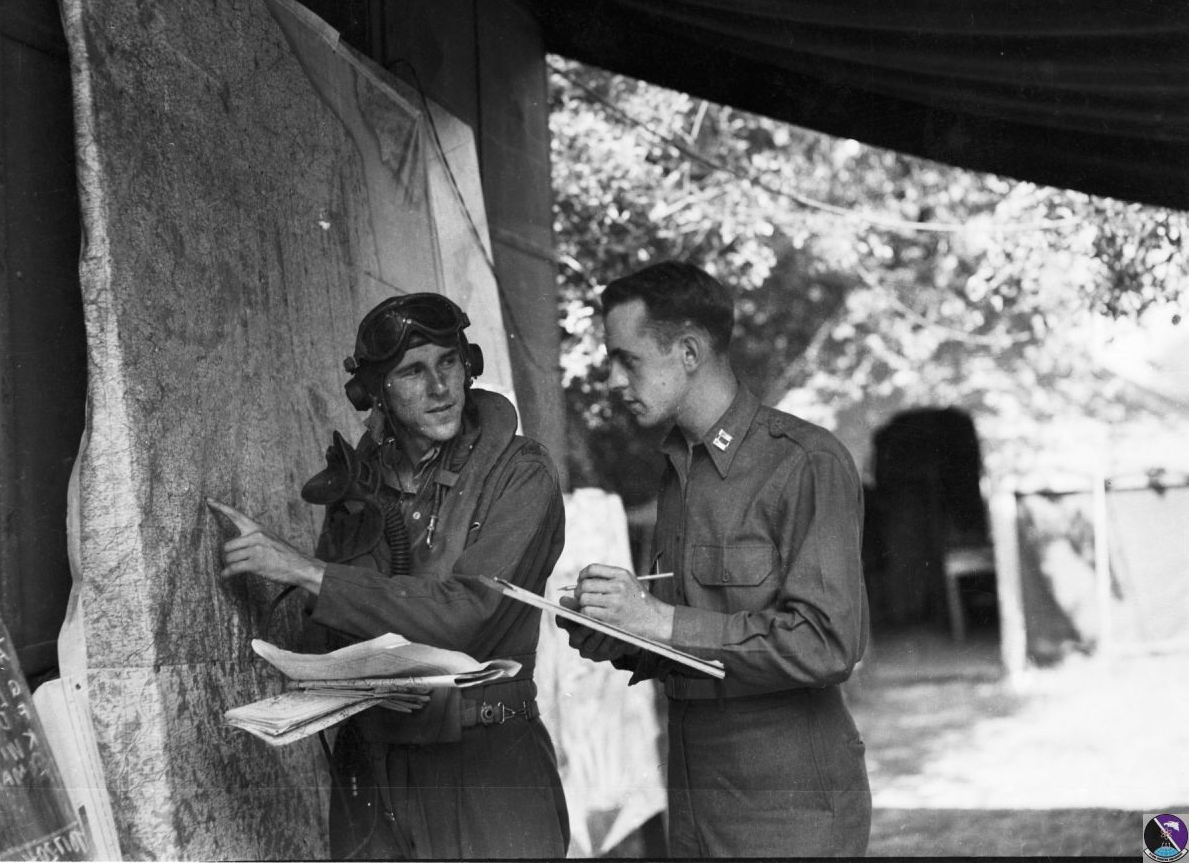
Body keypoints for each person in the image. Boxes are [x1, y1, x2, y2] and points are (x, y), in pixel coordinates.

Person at [211, 291, 569, 860]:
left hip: (482, 762)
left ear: (469, 364)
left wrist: (309, 571)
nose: (440, 387)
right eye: (412, 372)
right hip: (372, 768)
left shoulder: (520, 473)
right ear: (373, 392)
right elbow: (331, 638)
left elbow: (466, 614)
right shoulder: (360, 485)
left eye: (449, 362)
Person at [558, 261, 871, 858]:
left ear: (689, 352)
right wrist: (620, 633)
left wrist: (660, 621)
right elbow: (694, 638)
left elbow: (829, 644)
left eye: (628, 360)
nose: (614, 380)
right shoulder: (678, 469)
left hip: (788, 812)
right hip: (694, 800)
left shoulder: (804, 462)